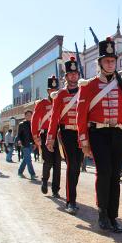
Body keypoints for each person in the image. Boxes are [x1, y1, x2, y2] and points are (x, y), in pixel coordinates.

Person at [77, 37, 122, 233]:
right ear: (100, 63)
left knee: (116, 175)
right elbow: (81, 115)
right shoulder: (88, 86)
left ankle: (113, 216)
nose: (110, 63)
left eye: (113, 60)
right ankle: (102, 213)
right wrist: (84, 141)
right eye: (106, 60)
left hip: (118, 133)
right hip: (98, 133)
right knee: (104, 171)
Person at [46, 57, 82, 215]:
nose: (73, 76)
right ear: (66, 77)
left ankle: (71, 196)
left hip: (81, 132)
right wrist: (50, 137)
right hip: (66, 132)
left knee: (78, 166)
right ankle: (70, 201)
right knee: (72, 164)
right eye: (70, 74)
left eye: (75, 73)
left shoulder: (84, 91)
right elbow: (54, 117)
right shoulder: (60, 95)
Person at [32, 75, 62, 198]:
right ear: (48, 91)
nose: (53, 92)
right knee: (48, 161)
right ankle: (45, 180)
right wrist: (35, 135)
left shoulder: (61, 101)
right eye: (51, 90)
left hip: (58, 135)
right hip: (45, 135)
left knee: (58, 164)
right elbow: (34, 120)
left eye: (55, 90)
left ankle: (55, 189)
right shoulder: (42, 103)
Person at [17, 110, 37, 180]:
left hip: (31, 144)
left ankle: (20, 171)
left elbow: (34, 135)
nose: (29, 116)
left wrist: (35, 144)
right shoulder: (21, 124)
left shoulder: (33, 124)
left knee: (26, 159)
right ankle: (32, 174)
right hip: (24, 144)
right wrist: (19, 141)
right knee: (29, 159)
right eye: (27, 115)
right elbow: (18, 135)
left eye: (30, 115)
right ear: (25, 116)